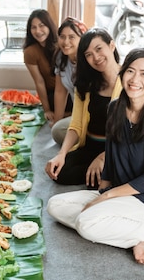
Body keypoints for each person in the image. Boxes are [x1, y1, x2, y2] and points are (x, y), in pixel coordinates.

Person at [46, 48, 144, 270]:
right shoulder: (115, 108)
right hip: (125, 193)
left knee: (86, 222)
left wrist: (107, 197)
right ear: (123, 73)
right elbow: (111, 156)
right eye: (130, 71)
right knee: (56, 205)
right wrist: (103, 191)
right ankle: (140, 234)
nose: (135, 79)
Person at [45, 28, 121, 186]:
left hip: (114, 150)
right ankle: (99, 173)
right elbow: (76, 125)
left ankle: (104, 172)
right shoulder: (85, 83)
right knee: (60, 173)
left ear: (112, 46)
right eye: (88, 54)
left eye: (99, 49)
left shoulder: (129, 81)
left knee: (94, 181)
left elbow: (130, 135)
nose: (96, 57)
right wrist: (61, 154)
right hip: (89, 146)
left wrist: (102, 158)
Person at [51, 16, 88, 144]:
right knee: (56, 130)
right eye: (62, 36)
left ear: (82, 39)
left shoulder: (89, 60)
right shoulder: (61, 57)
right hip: (77, 115)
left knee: (59, 132)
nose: (66, 42)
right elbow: (60, 92)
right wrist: (57, 120)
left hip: (93, 116)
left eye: (72, 37)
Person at [23, 9, 59, 122]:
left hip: (69, 89)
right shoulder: (30, 52)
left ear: (49, 26)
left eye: (41, 25)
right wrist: (47, 110)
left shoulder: (61, 44)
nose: (38, 31)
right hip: (52, 93)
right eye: (33, 27)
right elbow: (39, 81)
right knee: (54, 100)